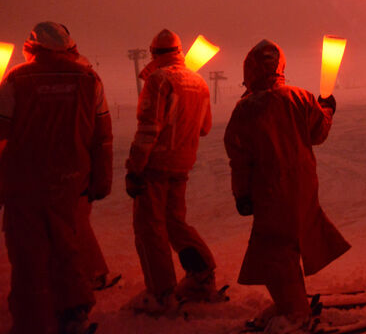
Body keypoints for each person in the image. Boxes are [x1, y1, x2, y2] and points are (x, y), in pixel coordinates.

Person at [224, 40, 350, 333]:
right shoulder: (300, 97)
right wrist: (327, 110)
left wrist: (241, 194)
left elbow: (239, 158)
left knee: (275, 252)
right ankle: (289, 303)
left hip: (270, 192)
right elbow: (318, 132)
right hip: (304, 186)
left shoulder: (246, 110)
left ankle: (295, 313)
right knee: (291, 245)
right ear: (280, 67)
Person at [0, 22, 113, 334]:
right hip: (70, 183)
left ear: (32, 46)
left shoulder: (16, 79)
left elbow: (1, 132)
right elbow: (102, 136)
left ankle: (33, 322)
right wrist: (100, 179)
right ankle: (73, 314)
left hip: (24, 185)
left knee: (28, 257)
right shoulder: (89, 78)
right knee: (67, 249)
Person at [125, 29, 218, 313]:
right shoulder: (199, 81)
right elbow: (204, 127)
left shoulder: (158, 80)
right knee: (175, 223)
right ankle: (202, 275)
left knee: (149, 228)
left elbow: (148, 129)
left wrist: (135, 168)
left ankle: (160, 292)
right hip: (182, 163)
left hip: (155, 165)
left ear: (154, 53)